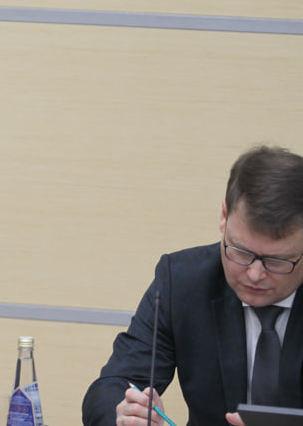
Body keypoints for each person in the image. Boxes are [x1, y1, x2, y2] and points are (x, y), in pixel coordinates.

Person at [82, 145, 303, 426]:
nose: (255, 274)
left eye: (277, 260)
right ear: (223, 216)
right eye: (241, 252)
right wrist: (124, 413)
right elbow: (112, 386)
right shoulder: (184, 281)